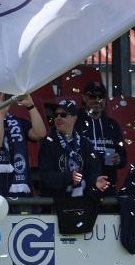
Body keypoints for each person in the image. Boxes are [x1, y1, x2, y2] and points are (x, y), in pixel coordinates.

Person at [39, 100, 109, 234]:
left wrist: (95, 181)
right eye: (56, 115)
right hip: (56, 208)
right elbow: (45, 176)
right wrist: (68, 177)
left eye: (63, 115)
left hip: (80, 206)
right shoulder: (48, 143)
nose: (58, 118)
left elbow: (94, 170)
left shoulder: (85, 143)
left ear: (74, 118)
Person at [0, 88, 46, 200]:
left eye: (4, 97)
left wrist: (31, 106)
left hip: (21, 187)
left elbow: (40, 133)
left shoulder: (19, 121)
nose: (2, 100)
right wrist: (1, 114)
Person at [75, 81, 126, 190]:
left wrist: (118, 160)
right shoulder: (75, 121)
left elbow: (123, 158)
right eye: (92, 96)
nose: (97, 100)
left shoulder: (113, 124)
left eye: (101, 96)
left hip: (107, 185)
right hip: (82, 185)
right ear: (84, 98)